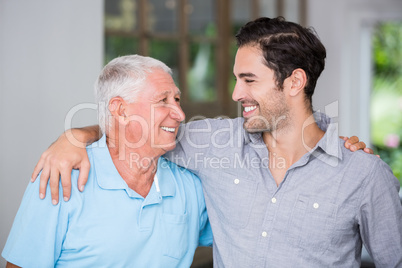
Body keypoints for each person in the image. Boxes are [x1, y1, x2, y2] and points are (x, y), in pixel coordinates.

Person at [29, 17, 402, 267]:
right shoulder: (213, 142)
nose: (237, 92)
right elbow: (139, 127)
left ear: (294, 82)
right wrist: (76, 135)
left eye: (249, 79)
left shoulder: (363, 174)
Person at [2, 55, 212, 267]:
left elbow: (239, 237)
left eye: (176, 99)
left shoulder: (189, 184)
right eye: (163, 100)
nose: (180, 114)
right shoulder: (61, 178)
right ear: (121, 110)